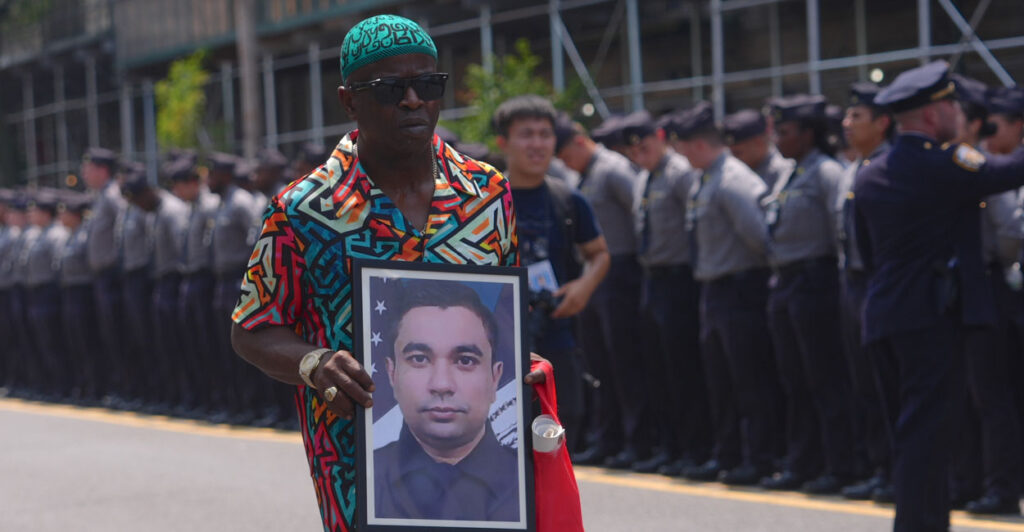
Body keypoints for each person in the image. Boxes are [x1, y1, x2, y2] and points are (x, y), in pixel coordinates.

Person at [229, 15, 543, 532]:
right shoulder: (304, 209)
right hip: (360, 461)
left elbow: (509, 314)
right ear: (349, 99)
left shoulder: (488, 193)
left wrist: (520, 359)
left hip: (488, 467)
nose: (413, 100)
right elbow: (251, 327)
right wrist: (314, 362)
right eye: (391, 88)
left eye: (427, 84)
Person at [854, 60, 1024, 531]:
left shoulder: (869, 173)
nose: (957, 111)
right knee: (928, 438)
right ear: (932, 115)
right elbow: (1010, 170)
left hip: (885, 314)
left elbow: (865, 251)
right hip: (929, 316)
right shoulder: (944, 162)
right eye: (950, 103)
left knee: (912, 438)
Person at [669, 101, 780, 487]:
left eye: (682, 147)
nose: (679, 156)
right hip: (714, 290)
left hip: (739, 287)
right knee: (721, 381)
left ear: (697, 145)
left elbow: (761, 239)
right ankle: (729, 455)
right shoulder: (704, 178)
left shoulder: (733, 179)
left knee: (749, 380)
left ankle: (759, 457)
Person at [494, 95, 610, 455]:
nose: (538, 144)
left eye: (545, 134)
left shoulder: (568, 199)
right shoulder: (484, 201)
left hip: (558, 342)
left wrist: (583, 287)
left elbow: (599, 254)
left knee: (557, 448)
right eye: (526, 134)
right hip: (498, 347)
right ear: (503, 143)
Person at [760, 94, 856, 494]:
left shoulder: (827, 172)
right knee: (794, 379)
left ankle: (841, 465)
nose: (778, 140)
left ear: (808, 134)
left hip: (816, 281)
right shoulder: (789, 172)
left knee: (825, 378)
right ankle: (803, 462)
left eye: (785, 132)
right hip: (785, 282)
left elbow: (842, 231)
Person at [374, 280, 518, 521]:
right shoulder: (365, 474)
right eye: (419, 358)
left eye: (465, 360)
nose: (442, 384)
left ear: (495, 378)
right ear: (391, 374)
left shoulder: (530, 476)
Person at [618, 109, 710, 475]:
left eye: (645, 146)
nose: (640, 154)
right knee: (657, 369)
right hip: (652, 279)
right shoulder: (644, 177)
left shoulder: (679, 174)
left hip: (679, 279)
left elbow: (698, 227)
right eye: (633, 151)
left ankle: (696, 448)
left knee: (683, 369)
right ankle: (670, 446)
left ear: (660, 138)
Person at [948, 77, 1024, 515]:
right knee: (966, 392)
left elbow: (1010, 232)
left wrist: (995, 265)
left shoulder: (977, 166)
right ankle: (969, 479)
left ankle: (1000, 486)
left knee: (991, 395)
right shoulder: (954, 165)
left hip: (988, 288)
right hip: (961, 290)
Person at [553, 117, 646, 467]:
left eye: (564, 154)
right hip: (594, 274)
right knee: (600, 363)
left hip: (621, 270)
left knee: (624, 363)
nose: (563, 164)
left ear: (578, 142)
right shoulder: (584, 174)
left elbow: (639, 217)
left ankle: (637, 441)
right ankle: (610, 438)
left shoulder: (613, 169)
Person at [835, 81, 897, 503]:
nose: (847, 123)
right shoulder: (851, 168)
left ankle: (897, 471)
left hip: (879, 282)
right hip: (851, 283)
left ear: (883, 122)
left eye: (857, 116)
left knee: (888, 384)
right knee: (862, 383)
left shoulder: (891, 167)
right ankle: (878, 467)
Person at [122, 167, 191, 413]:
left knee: (180, 345)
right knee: (164, 345)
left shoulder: (172, 211)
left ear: (148, 192)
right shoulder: (155, 212)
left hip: (175, 280)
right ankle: (172, 396)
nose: (138, 206)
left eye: (138, 199)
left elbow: (183, 252)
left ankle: (188, 397)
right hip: (161, 281)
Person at [82, 147, 127, 403]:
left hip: (112, 276)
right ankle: (116, 387)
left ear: (102, 170)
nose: (84, 173)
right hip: (100, 278)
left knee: (117, 335)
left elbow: (122, 233)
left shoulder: (112, 196)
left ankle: (125, 388)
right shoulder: (99, 197)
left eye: (88, 168)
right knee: (106, 336)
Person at [21, 190, 70, 398]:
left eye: (36, 211)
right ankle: (49, 385)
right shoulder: (39, 234)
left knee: (55, 342)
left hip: (50, 292)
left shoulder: (56, 234)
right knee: (43, 342)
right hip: (37, 294)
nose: (31, 215)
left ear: (46, 213)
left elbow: (58, 267)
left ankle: (63, 386)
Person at [56, 191, 100, 402]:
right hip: (70, 293)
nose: (61, 217)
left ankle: (95, 387)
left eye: (65, 212)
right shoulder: (70, 236)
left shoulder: (85, 234)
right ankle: (82, 385)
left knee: (87, 341)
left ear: (75, 215)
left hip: (83, 293)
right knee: (76, 343)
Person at [721, 109, 794, 190]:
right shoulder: (737, 171)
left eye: (738, 153)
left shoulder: (783, 170)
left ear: (758, 143)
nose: (734, 159)